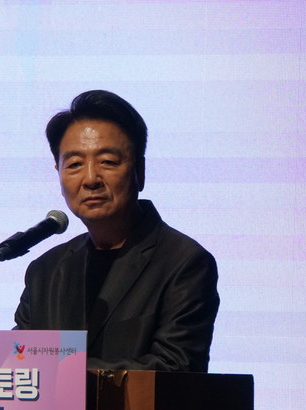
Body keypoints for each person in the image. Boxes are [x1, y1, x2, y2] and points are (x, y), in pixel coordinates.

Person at [14, 90, 219, 372]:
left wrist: (62, 372)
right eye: (74, 164)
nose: (90, 179)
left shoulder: (184, 263)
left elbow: (176, 368)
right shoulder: (46, 271)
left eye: (107, 161)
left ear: (140, 171)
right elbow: (19, 363)